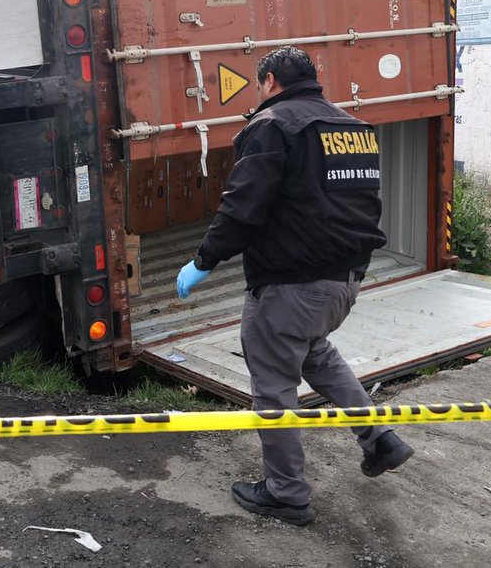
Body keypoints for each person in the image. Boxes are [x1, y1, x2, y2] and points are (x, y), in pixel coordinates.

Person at [175, 46, 411, 527]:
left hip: (290, 285)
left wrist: (204, 259)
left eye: (260, 84)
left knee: (273, 387)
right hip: (343, 282)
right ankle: (380, 438)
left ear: (267, 82)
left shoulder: (273, 125)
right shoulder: (352, 128)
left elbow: (244, 205)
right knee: (314, 353)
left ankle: (286, 493)